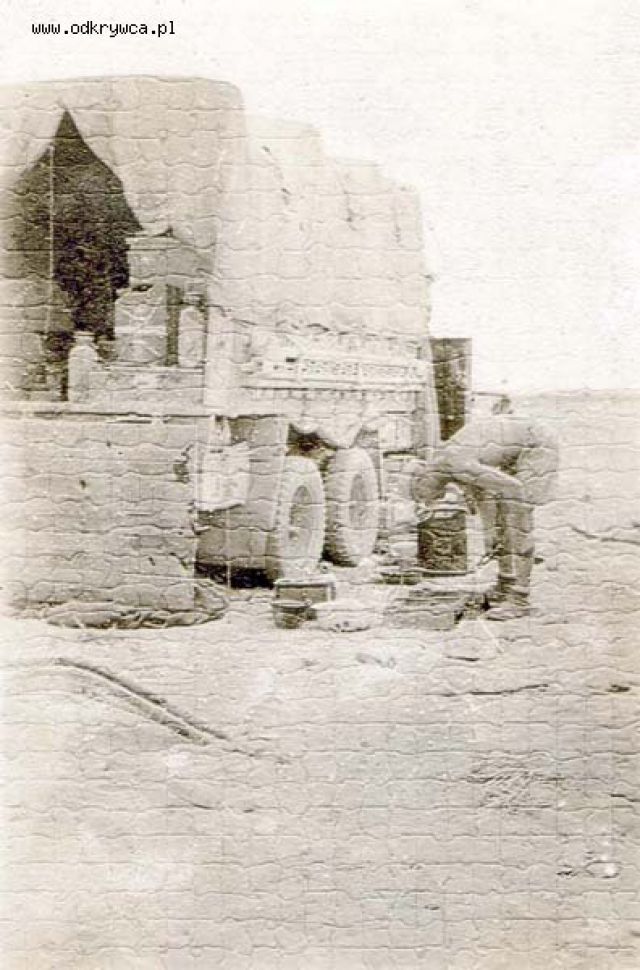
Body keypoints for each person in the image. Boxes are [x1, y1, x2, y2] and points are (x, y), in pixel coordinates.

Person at [412, 402, 559, 619]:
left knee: (516, 523)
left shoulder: (455, 464)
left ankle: (520, 599)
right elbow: (482, 492)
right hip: (518, 446)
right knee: (503, 521)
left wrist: (514, 519)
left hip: (537, 445)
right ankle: (505, 584)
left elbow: (514, 488)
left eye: (421, 496)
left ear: (424, 479)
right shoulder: (444, 463)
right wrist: (490, 530)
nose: (427, 502)